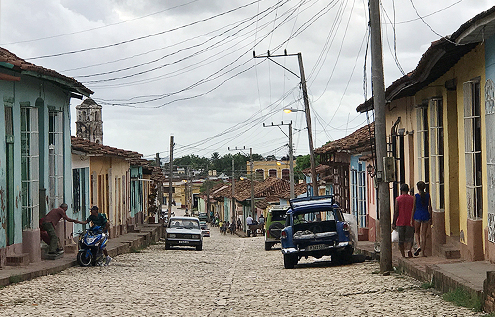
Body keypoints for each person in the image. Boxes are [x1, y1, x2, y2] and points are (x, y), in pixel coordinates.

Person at [392, 184, 415, 258]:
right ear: (408, 190)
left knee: (401, 240)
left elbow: (396, 211)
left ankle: (403, 255)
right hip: (410, 221)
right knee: (410, 238)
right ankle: (409, 250)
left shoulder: (398, 199)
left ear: (401, 190)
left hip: (400, 222)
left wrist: (393, 222)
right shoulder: (412, 199)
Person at [412, 181, 432, 257]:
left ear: (417, 188)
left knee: (417, 232)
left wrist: (411, 218)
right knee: (424, 234)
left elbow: (414, 208)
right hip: (426, 214)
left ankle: (418, 245)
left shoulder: (416, 196)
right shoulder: (427, 195)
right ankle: (423, 252)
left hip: (418, 215)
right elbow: (430, 207)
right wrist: (431, 217)